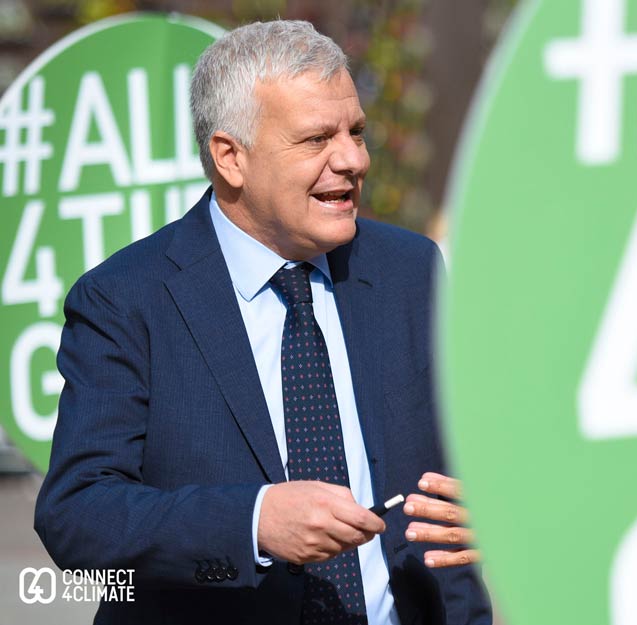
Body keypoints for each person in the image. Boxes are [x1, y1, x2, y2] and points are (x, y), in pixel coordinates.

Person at [34, 19, 490, 625]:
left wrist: (488, 512)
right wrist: (253, 523)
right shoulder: (125, 299)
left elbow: (460, 466)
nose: (354, 159)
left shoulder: (410, 270)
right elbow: (77, 517)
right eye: (315, 139)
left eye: (356, 131)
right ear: (231, 158)